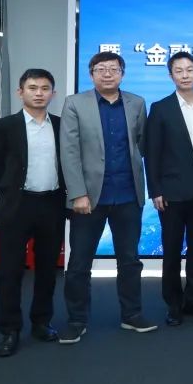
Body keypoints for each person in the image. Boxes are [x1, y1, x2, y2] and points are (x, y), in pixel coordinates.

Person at [59, 51, 157, 344]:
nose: (107, 74)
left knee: (130, 261)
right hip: (89, 199)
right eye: (100, 69)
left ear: (122, 74)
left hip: (128, 195)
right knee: (79, 263)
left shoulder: (137, 103)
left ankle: (132, 314)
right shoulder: (75, 103)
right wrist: (77, 193)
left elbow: (141, 144)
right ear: (91, 74)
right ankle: (77, 320)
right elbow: (69, 151)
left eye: (113, 69)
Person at [0, 69, 66, 357]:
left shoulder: (61, 125)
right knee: (11, 270)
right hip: (17, 206)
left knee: (47, 269)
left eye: (45, 88)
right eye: (32, 88)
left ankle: (41, 322)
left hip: (51, 204)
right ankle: (9, 330)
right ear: (21, 92)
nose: (39, 93)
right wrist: (7, 192)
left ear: (53, 93)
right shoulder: (4, 127)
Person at [145, 51, 193, 326]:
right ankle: (174, 304)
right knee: (172, 250)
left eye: (190, 70)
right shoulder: (160, 108)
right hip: (171, 192)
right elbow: (152, 153)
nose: (185, 75)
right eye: (179, 70)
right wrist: (155, 190)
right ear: (171, 75)